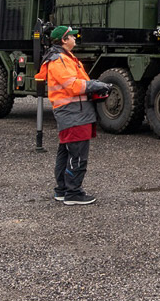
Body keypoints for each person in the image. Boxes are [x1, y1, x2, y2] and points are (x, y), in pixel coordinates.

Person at [35, 25, 111, 205]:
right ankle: (73, 193)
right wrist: (96, 85)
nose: (75, 39)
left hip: (72, 112)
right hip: (74, 113)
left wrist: (94, 87)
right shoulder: (60, 59)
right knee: (77, 154)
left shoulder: (62, 57)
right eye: (72, 36)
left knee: (67, 152)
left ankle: (62, 190)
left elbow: (74, 83)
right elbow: (72, 85)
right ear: (64, 40)